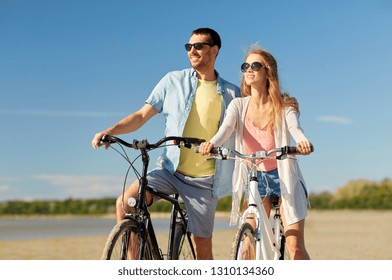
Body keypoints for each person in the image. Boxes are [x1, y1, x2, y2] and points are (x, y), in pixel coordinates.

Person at [91, 28, 240, 260]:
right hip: (169, 170)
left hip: (204, 181)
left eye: (198, 46)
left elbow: (248, 127)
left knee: (203, 250)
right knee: (126, 204)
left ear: (214, 50)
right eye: (188, 47)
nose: (192, 50)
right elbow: (141, 116)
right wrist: (110, 131)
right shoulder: (173, 81)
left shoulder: (232, 93)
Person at [198, 46, 313, 260]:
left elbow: (295, 128)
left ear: (268, 71)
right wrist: (210, 144)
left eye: (255, 65)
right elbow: (225, 130)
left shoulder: (283, 106)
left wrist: (302, 142)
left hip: (283, 176)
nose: (249, 70)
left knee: (294, 244)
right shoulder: (238, 105)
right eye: (245, 66)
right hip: (255, 178)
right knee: (246, 243)